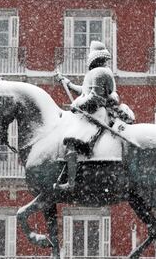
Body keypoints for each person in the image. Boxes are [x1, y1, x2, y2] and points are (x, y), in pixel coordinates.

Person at [54, 41, 135, 193]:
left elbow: (95, 98)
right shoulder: (97, 72)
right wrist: (69, 84)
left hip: (97, 114)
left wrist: (77, 104)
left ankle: (71, 183)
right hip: (92, 112)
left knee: (71, 142)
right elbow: (86, 91)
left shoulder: (99, 73)